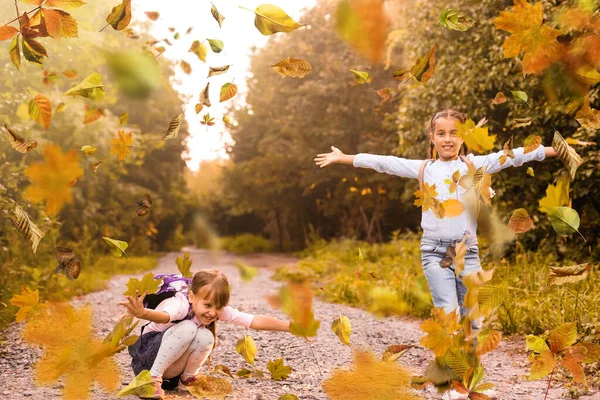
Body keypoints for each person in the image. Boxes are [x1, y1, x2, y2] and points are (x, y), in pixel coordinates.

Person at [314, 109, 557, 400]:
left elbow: (515, 156)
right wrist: (346, 158)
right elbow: (386, 163)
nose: (447, 139)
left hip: (468, 253)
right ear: (432, 137)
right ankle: (452, 384)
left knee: (473, 321)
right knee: (448, 316)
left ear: (462, 136)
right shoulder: (423, 169)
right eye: (441, 133)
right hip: (434, 252)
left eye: (454, 133)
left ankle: (468, 380)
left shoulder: (475, 165)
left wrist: (555, 150)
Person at [119, 268, 291, 399]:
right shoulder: (180, 304)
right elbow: (164, 317)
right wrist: (144, 314)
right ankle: (152, 380)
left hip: (170, 371)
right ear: (192, 296)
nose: (213, 312)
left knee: (206, 336)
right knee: (189, 327)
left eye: (218, 307)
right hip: (147, 362)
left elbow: (253, 321)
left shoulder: (216, 310)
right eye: (208, 305)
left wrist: (289, 326)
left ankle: (186, 379)